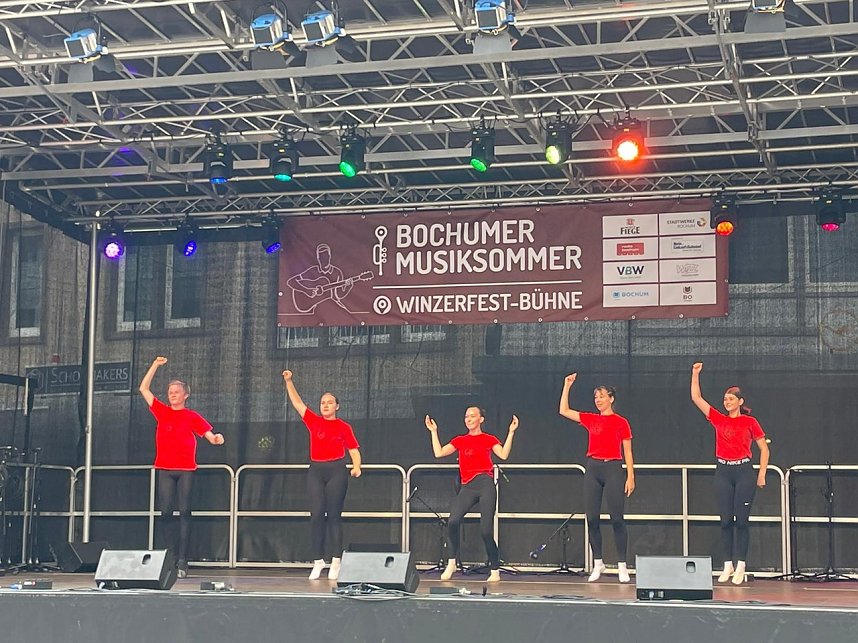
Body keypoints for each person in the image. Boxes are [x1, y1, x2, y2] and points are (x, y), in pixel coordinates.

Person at [138, 356, 224, 578]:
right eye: (170, 391)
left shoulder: (191, 416)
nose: (172, 394)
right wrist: (155, 365)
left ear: (186, 394)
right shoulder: (162, 411)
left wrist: (216, 439)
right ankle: (170, 556)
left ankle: (183, 560)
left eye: (177, 391)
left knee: (185, 511)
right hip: (165, 469)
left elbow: (208, 434)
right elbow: (143, 388)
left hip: (185, 469)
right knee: (166, 512)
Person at [690, 362, 769, 585]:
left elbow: (764, 448)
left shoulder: (749, 422)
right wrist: (695, 374)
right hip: (723, 470)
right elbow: (697, 398)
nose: (727, 402)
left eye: (731, 399)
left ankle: (741, 565)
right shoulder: (718, 419)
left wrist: (761, 473)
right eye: (725, 399)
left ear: (740, 402)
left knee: (742, 521)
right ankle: (727, 564)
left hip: (744, 471)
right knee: (725, 520)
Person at [282, 369, 362, 580]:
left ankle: (336, 560)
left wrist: (356, 466)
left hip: (336, 470)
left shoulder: (343, 427)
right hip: (316, 470)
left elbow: (354, 449)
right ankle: (318, 561)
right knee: (317, 515)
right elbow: (298, 404)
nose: (325, 405)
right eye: (322, 402)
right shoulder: (314, 422)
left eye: (329, 402)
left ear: (337, 406)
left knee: (334, 516)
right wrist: (289, 381)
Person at [424, 408, 519, 583]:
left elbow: (504, 455)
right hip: (467, 487)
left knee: (485, 531)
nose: (468, 419)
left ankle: (495, 568)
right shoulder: (460, 440)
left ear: (481, 419)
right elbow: (439, 453)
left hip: (485, 484)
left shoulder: (488, 439)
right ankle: (452, 562)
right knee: (452, 521)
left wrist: (511, 433)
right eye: (466, 416)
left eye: (472, 416)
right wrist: (434, 432)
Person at [559, 373, 635, 583]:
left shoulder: (621, 422)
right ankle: (598, 563)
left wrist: (630, 476)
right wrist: (567, 386)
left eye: (602, 396)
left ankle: (621, 565)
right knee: (591, 518)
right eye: (595, 397)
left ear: (611, 398)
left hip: (613, 468)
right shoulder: (591, 419)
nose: (598, 400)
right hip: (593, 468)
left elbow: (628, 451)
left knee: (617, 519)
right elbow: (563, 410)